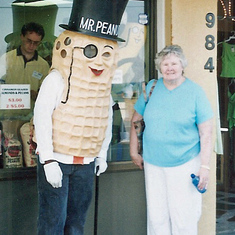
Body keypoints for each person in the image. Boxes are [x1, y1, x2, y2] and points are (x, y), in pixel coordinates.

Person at [130, 45, 213, 235]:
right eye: (165, 64)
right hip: (153, 163)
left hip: (185, 163)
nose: (170, 67)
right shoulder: (151, 88)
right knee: (157, 217)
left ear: (182, 65)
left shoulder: (195, 92)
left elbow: (206, 133)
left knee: (183, 218)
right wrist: (134, 151)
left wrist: (205, 166)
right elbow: (136, 120)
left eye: (174, 63)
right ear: (160, 67)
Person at [0, 22, 49, 120]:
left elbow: (47, 96)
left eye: (36, 43)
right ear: (22, 37)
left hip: (30, 117)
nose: (31, 45)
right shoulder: (6, 58)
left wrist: (37, 95)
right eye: (29, 41)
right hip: (6, 116)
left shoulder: (43, 65)